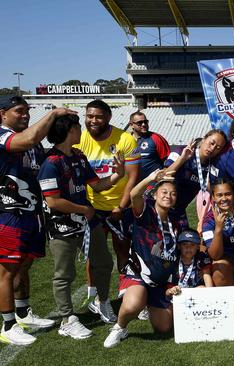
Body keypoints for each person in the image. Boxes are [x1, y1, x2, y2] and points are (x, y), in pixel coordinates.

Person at [38, 114, 125, 338]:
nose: (81, 130)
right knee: (64, 273)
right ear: (69, 130)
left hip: (87, 221)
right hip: (62, 225)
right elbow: (53, 201)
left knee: (104, 262)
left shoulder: (78, 155)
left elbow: (97, 185)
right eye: (78, 126)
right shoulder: (51, 162)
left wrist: (117, 174)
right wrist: (83, 209)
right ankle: (67, 318)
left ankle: (102, 301)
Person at [0, 96, 74, 345]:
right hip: (9, 212)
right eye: (19, 111)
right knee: (6, 271)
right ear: (3, 114)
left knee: (24, 265)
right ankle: (8, 325)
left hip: (32, 214)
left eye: (27, 111)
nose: (25, 115)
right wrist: (54, 114)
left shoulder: (35, 144)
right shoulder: (3, 135)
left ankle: (22, 313)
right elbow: (29, 138)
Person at [104, 169, 187, 348]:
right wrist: (150, 178)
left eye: (172, 194)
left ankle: (150, 303)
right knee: (134, 304)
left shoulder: (177, 220)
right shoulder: (145, 212)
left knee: (164, 328)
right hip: (138, 273)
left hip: (162, 281)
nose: (168, 196)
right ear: (155, 195)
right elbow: (134, 194)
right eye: (164, 192)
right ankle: (120, 327)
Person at [75, 99, 140, 309]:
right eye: (89, 116)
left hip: (120, 206)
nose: (93, 121)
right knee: (93, 253)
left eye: (98, 117)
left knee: (123, 249)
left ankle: (124, 290)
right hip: (92, 206)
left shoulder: (125, 139)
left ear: (108, 117)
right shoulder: (79, 139)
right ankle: (93, 293)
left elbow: (132, 177)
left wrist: (121, 206)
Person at [164, 129, 227, 213]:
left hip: (179, 210)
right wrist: (182, 159)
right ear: (204, 138)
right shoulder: (181, 151)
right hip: (162, 204)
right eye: (211, 143)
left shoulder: (213, 166)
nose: (212, 148)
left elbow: (213, 190)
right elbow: (164, 175)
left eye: (218, 148)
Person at [129, 111, 170, 182]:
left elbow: (168, 162)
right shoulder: (126, 140)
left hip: (153, 184)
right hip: (133, 185)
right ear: (131, 125)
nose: (144, 124)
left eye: (145, 122)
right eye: (139, 123)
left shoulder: (156, 138)